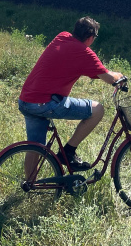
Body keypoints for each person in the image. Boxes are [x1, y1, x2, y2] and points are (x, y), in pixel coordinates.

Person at [18, 17, 124, 173]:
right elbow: (109, 78)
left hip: (26, 100)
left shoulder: (62, 36)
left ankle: (29, 183)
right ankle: (68, 151)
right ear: (90, 38)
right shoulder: (85, 53)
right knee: (98, 110)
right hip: (46, 103)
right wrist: (119, 76)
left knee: (35, 147)